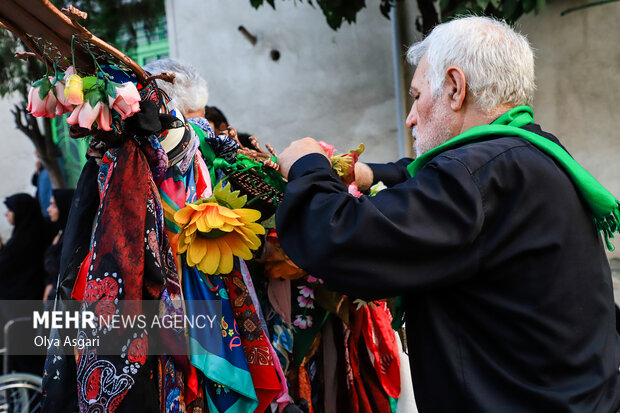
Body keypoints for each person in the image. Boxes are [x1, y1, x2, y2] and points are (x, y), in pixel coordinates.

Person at [275, 16, 620, 412]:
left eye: (417, 95)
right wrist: (371, 173)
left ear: (455, 89)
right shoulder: (530, 154)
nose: (410, 117)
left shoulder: (481, 175)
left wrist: (308, 167)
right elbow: (430, 180)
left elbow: (343, 239)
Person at [43, 189, 74, 303]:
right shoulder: (60, 232)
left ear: (64, 207)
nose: (48, 209)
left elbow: (58, 267)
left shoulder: (70, 237)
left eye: (53, 205)